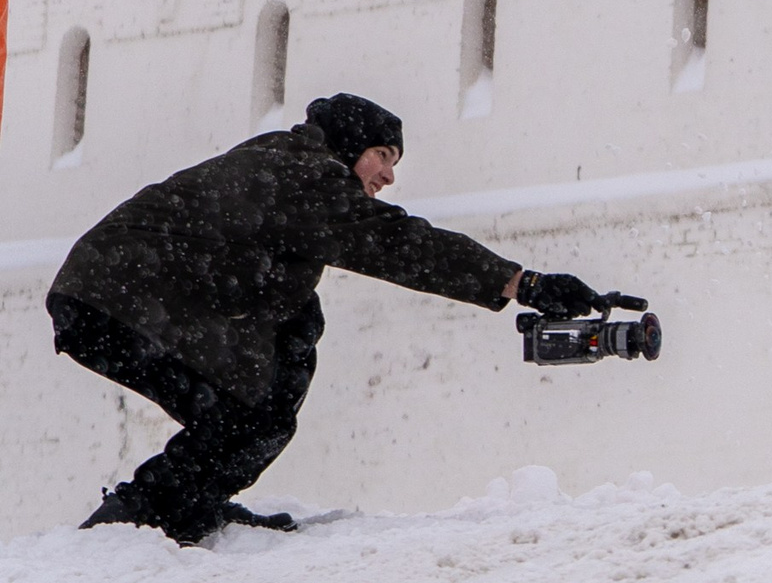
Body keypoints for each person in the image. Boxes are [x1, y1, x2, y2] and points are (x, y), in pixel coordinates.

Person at [49, 94, 596, 545]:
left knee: (283, 346)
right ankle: (139, 519)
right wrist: (525, 284)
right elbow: (397, 243)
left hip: (112, 299)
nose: (387, 175)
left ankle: (186, 502)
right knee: (251, 412)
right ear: (351, 143)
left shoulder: (289, 165)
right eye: (383, 155)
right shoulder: (303, 173)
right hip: (121, 299)